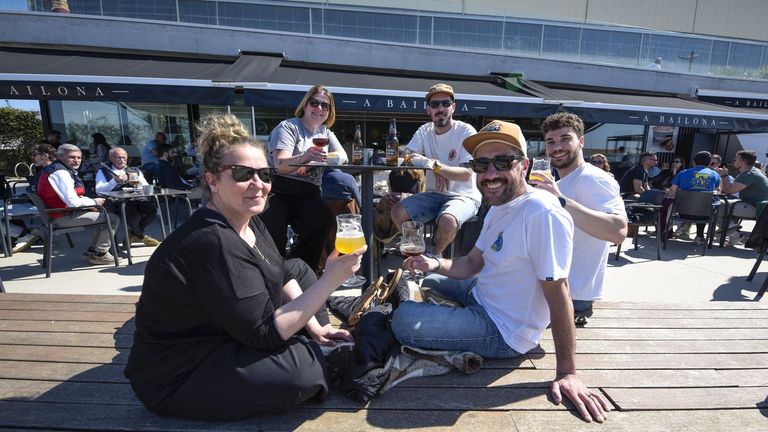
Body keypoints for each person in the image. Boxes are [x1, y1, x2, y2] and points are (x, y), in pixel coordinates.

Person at [123, 114, 364, 420]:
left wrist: (317, 328)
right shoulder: (211, 240)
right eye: (241, 173)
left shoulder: (248, 219)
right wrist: (330, 280)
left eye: (265, 174)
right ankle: (320, 357)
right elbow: (264, 334)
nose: (259, 185)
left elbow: (285, 271)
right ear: (212, 180)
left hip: (226, 330)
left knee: (301, 270)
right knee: (300, 374)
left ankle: (310, 340)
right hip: (179, 372)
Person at [391, 120, 610, 423]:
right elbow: (472, 264)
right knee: (422, 276)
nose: (490, 173)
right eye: (482, 163)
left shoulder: (541, 213)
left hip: (503, 329)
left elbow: (560, 294)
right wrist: (434, 262)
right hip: (481, 292)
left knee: (403, 320)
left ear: (525, 166)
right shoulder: (498, 205)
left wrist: (567, 372)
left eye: (503, 161)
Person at [531, 113, 627, 323]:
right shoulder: (561, 181)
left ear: (581, 141)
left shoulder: (593, 178)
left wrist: (560, 200)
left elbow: (618, 231)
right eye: (551, 142)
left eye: (565, 139)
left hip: (570, 296)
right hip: (552, 288)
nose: (557, 147)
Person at [260, 85, 348, 273]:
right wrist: (305, 157)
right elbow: (280, 165)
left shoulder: (325, 133)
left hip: (307, 190)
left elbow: (343, 156)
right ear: (305, 105)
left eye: (325, 106)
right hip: (278, 188)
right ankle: (272, 274)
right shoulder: (289, 127)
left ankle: (300, 270)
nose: (319, 109)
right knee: (274, 230)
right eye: (314, 103)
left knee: (321, 221)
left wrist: (314, 163)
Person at [391, 83, 480, 256]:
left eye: (445, 103)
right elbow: (407, 157)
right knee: (397, 211)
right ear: (428, 110)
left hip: (464, 196)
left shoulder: (465, 131)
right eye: (435, 104)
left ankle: (435, 258)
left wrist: (436, 167)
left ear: (453, 107)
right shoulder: (425, 130)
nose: (440, 108)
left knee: (447, 221)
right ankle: (416, 253)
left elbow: (467, 174)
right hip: (434, 194)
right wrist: (434, 165)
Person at [36, 144, 120, 265]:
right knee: (112, 218)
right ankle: (101, 254)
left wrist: (91, 203)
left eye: (79, 157)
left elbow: (71, 198)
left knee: (102, 214)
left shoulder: (56, 169)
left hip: (56, 214)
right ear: (60, 156)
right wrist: (94, 201)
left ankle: (92, 251)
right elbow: (73, 202)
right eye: (72, 157)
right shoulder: (60, 172)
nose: (76, 160)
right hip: (60, 217)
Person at [95, 147, 160, 247]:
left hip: (136, 198)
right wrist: (115, 181)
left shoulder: (134, 170)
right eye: (118, 158)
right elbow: (99, 190)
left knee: (153, 211)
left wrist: (137, 185)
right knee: (133, 215)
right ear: (111, 158)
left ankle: (134, 233)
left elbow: (145, 186)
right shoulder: (103, 171)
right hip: (117, 201)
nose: (122, 160)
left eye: (124, 158)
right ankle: (141, 235)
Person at [665, 151, 720, 245]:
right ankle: (699, 236)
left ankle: (671, 229)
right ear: (709, 163)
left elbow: (671, 191)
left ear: (694, 161)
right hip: (704, 214)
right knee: (705, 205)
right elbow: (718, 191)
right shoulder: (714, 175)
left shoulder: (683, 173)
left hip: (682, 212)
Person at [10, 142, 57, 253]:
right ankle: (26, 233)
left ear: (45, 155)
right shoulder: (46, 170)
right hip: (34, 203)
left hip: (39, 207)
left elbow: (40, 195)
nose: (33, 157)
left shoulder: (51, 171)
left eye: (35, 154)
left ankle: (24, 234)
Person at [715, 150, 768, 245]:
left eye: (735, 160)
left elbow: (729, 191)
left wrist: (724, 176)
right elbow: (725, 190)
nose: (733, 162)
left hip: (758, 208)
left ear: (742, 163)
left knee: (717, 207)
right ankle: (733, 232)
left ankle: (734, 233)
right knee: (722, 205)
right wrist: (724, 177)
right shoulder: (750, 172)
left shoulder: (749, 174)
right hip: (757, 206)